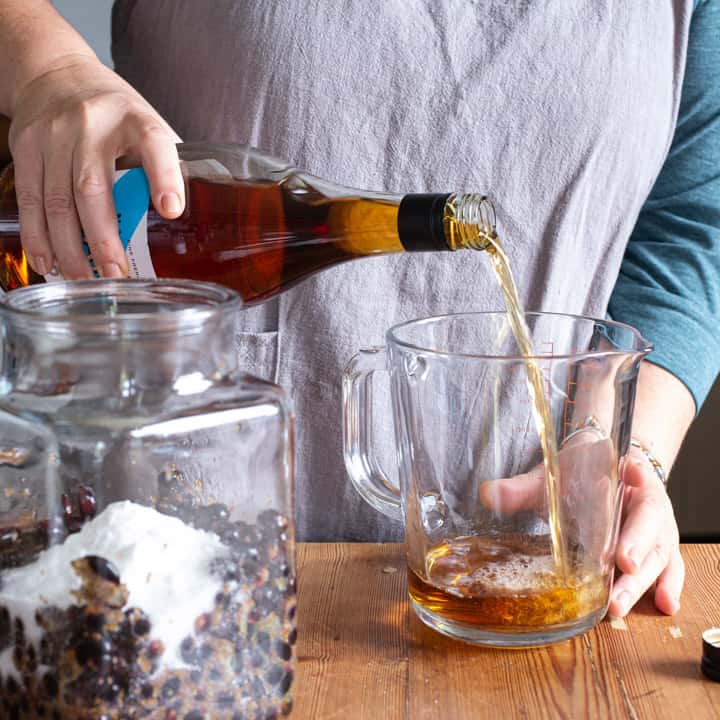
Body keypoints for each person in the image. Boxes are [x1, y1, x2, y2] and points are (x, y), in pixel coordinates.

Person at [0, 0, 718, 622]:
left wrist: (622, 449)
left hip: (532, 584)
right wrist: (46, 66)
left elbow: (691, 226)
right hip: (149, 568)